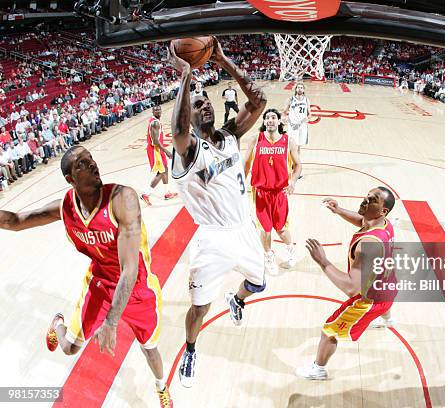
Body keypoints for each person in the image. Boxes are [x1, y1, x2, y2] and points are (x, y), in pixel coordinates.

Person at [0, 146, 173, 407]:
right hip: (101, 284)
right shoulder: (66, 208)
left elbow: (130, 269)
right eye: (81, 164)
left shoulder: (122, 198)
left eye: (90, 158)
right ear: (70, 179)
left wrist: (112, 321)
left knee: (150, 349)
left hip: (136, 288)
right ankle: (57, 322)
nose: (92, 164)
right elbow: (15, 221)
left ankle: (161, 387)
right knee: (69, 347)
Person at [167, 37, 267, 388]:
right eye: (197, 103)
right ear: (188, 113)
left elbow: (259, 101)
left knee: (259, 282)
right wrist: (185, 75)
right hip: (211, 239)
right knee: (199, 308)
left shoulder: (229, 136)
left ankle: (236, 299)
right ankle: (191, 350)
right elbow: (178, 131)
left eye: (206, 100)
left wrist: (223, 61)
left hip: (244, 229)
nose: (205, 105)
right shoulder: (185, 152)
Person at [295, 187, 395, 379]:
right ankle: (388, 320)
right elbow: (362, 221)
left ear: (383, 211)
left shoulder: (369, 245)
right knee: (385, 300)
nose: (365, 199)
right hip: (389, 285)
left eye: (372, 199)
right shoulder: (384, 224)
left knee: (329, 330)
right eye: (367, 195)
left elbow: (351, 288)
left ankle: (318, 370)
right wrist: (339, 210)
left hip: (370, 300)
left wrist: (322, 261)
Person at [244, 108, 301, 275]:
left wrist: (293, 181)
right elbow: (246, 162)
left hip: (279, 192)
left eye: (273, 117)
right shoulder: (256, 139)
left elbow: (298, 164)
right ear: (264, 122)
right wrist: (241, 182)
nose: (270, 120)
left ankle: (291, 252)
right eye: (267, 118)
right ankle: (269, 256)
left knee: (281, 228)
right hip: (260, 191)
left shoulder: (288, 141)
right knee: (265, 228)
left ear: (278, 121)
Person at [141, 105, 177, 205]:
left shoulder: (155, 120)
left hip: (157, 149)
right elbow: (155, 141)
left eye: (159, 110)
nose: (158, 112)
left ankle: (167, 193)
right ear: (153, 112)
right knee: (161, 172)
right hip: (155, 150)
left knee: (165, 169)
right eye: (156, 110)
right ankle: (146, 194)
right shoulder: (155, 123)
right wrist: (166, 151)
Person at [283, 82, 311, 176]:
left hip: (302, 126)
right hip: (293, 125)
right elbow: (284, 111)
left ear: (303, 90)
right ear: (295, 89)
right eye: (298, 87)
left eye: (301, 88)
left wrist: (308, 117)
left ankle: (295, 166)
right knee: (292, 146)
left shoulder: (306, 100)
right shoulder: (291, 99)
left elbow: (309, 113)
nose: (299, 89)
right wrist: (285, 118)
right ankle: (288, 165)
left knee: (298, 147)